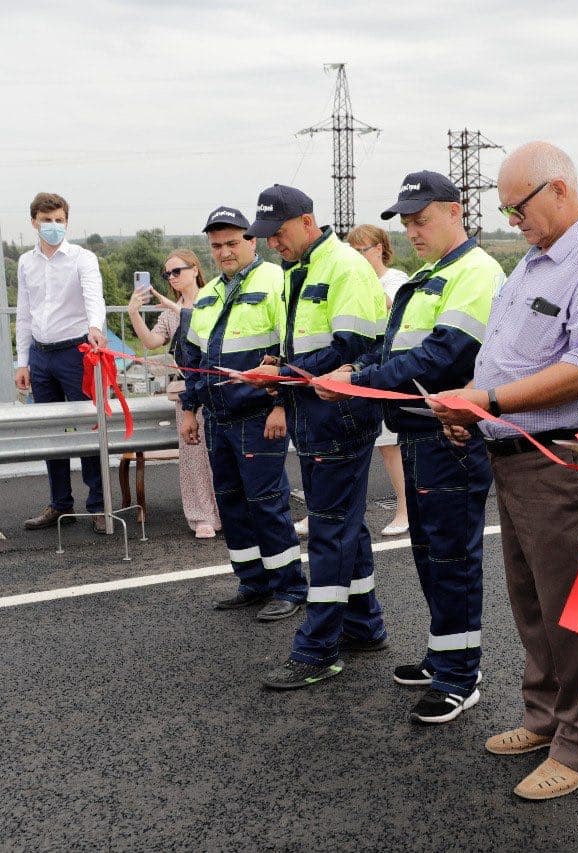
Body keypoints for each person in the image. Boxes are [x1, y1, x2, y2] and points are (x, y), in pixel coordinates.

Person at [431, 141, 578, 800]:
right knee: (534, 604)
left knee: (576, 612)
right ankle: (546, 715)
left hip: (567, 461)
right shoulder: (529, 267)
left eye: (516, 206)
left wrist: (487, 402)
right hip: (515, 457)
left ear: (556, 189)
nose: (510, 219)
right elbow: (509, 363)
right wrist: (473, 399)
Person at [317, 172, 504, 724]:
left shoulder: (475, 273)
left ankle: (459, 676)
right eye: (406, 222)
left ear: (454, 211)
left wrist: (357, 381)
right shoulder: (431, 275)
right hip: (421, 432)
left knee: (452, 556)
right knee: (430, 552)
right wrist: (360, 368)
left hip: (452, 437)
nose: (412, 231)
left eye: (421, 220)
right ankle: (444, 653)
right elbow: (400, 349)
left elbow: (442, 357)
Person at [241, 185, 390, 689]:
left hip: (339, 415)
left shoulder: (345, 267)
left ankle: (317, 649)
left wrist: (283, 374)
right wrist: (278, 367)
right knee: (346, 523)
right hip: (315, 413)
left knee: (330, 531)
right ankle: (364, 623)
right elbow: (305, 346)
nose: (272, 244)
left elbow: (356, 349)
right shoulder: (297, 272)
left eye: (278, 233)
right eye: (266, 236)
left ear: (306, 222)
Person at [182, 206, 307, 621]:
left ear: (251, 241)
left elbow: (288, 351)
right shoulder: (209, 294)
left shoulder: (275, 281)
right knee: (232, 502)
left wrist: (279, 405)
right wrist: (189, 410)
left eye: (233, 243)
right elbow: (194, 359)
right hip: (218, 418)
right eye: (217, 246)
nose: (225, 252)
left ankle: (288, 586)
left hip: (258, 416)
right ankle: (252, 581)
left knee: (266, 502)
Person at [15, 192, 109, 534]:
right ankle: (59, 503)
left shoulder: (82, 258)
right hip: (40, 355)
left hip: (75, 352)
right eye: (46, 220)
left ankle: (99, 505)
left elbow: (92, 297)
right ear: (34, 222)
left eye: (59, 220)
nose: (53, 226)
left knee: (87, 427)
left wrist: (95, 328)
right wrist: (22, 361)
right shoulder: (26, 263)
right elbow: (24, 314)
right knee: (52, 432)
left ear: (66, 221)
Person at [126, 249, 221, 537]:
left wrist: (177, 308)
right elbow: (153, 341)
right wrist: (133, 313)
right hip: (186, 388)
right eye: (167, 274)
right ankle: (201, 516)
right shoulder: (170, 311)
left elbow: (209, 330)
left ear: (195, 269)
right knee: (192, 454)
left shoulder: (215, 299)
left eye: (177, 271)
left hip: (217, 386)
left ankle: (230, 512)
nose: (172, 278)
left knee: (221, 452)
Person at [346, 223, 411, 537]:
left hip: (387, 369)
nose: (359, 256)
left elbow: (387, 304)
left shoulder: (396, 280)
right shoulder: (356, 282)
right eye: (353, 251)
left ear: (381, 248)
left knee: (389, 445)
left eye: (365, 250)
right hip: (362, 367)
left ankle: (404, 509)